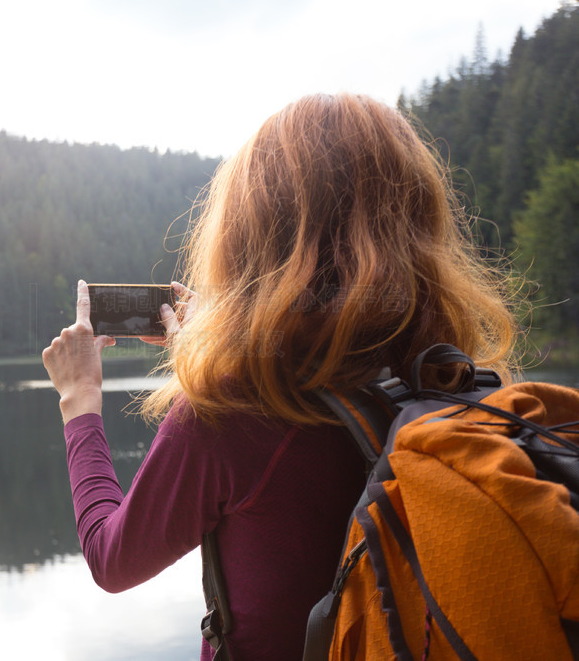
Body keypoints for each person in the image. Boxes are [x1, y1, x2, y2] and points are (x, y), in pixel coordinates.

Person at [41, 93, 519, 660]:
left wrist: (80, 401)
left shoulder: (230, 415)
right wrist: (220, 343)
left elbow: (110, 558)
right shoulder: (456, 385)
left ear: (252, 236)